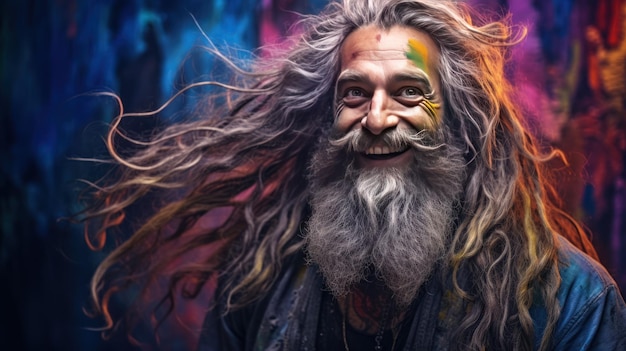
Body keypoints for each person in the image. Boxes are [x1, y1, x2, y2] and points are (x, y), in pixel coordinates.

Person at [79, 0, 626, 350]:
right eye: (355, 93)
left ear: (459, 121)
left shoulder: (571, 303)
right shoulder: (260, 281)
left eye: (410, 92)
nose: (378, 118)